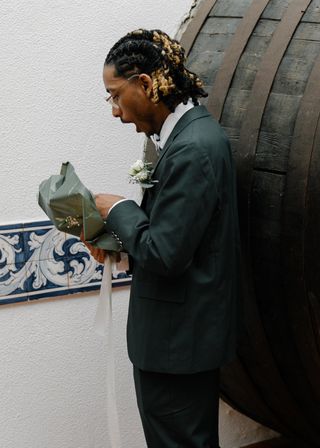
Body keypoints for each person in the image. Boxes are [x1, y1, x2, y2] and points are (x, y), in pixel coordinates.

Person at [86, 28, 240, 448]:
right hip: (177, 341)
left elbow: (167, 253)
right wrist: (119, 248)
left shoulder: (193, 148)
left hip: (178, 346)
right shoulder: (184, 139)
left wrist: (118, 209)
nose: (115, 111)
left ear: (146, 85)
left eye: (116, 95)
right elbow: (185, 240)